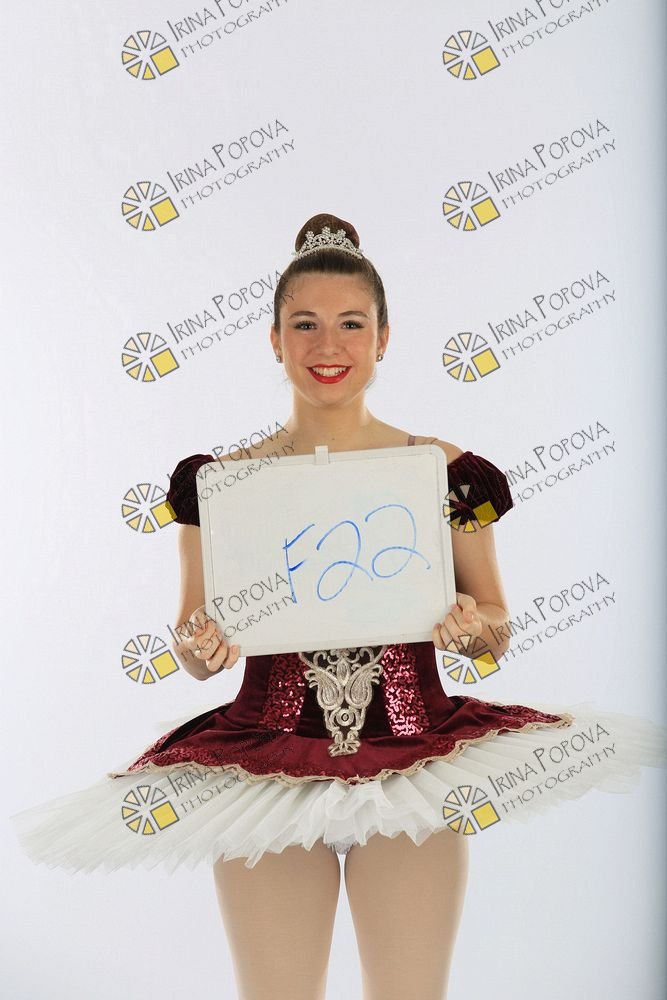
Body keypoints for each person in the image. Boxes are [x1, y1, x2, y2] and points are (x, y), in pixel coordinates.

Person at [9, 212, 667, 1000]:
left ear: (383, 338)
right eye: (305, 324)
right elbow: (191, 642)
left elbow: (494, 627)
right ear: (274, 339)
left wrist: (470, 630)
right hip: (264, 768)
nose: (329, 345)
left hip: (415, 755)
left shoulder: (443, 472)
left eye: (351, 323)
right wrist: (199, 645)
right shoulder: (220, 485)